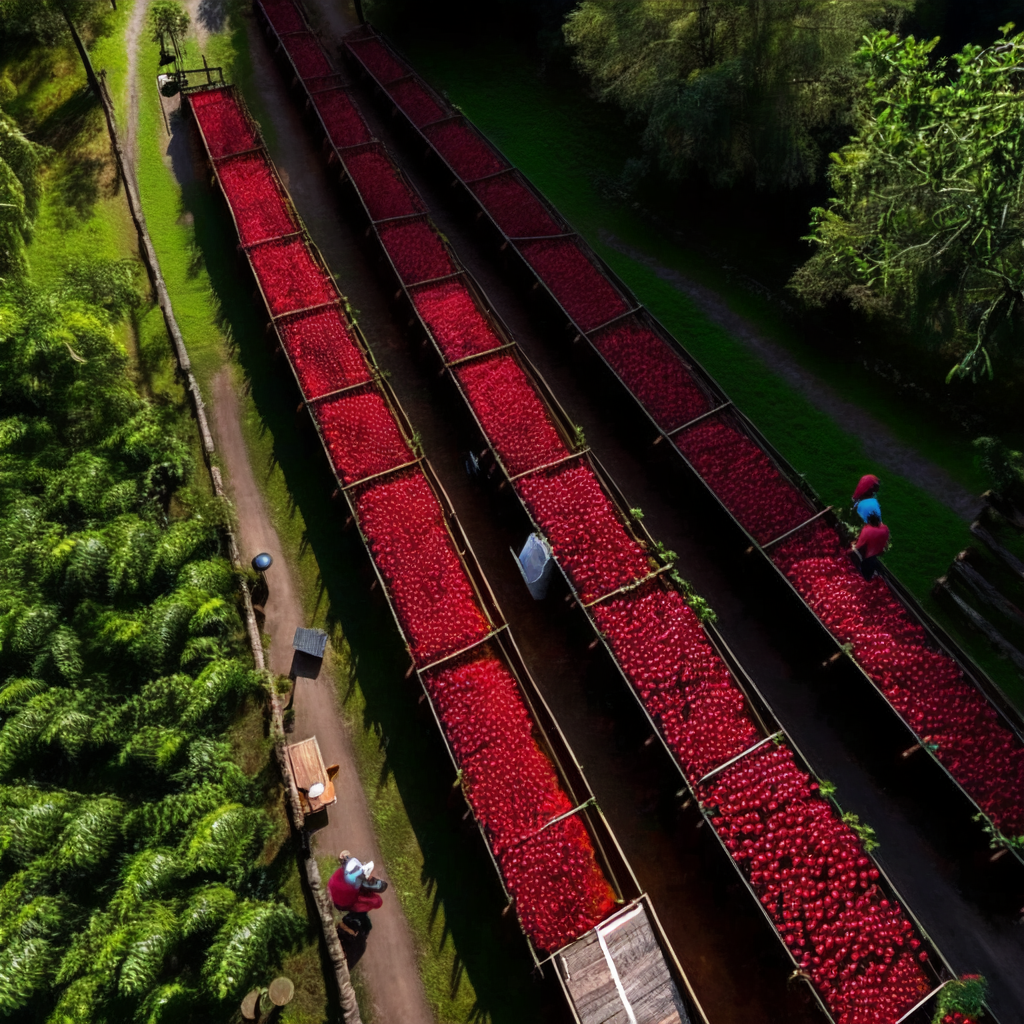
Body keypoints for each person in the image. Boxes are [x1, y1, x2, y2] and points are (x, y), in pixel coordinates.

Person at [328, 852, 387, 936]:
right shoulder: (358, 895)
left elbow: (350, 867)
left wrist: (344, 858)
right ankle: (345, 930)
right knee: (365, 925)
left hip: (343, 901)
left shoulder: (346, 878)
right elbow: (377, 902)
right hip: (350, 908)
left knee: (365, 923)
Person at [852, 512, 889, 581]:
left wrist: (854, 547)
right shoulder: (884, 529)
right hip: (877, 549)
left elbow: (861, 542)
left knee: (866, 565)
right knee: (872, 562)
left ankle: (866, 579)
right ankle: (871, 575)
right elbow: (886, 538)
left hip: (868, 551)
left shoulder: (867, 530)